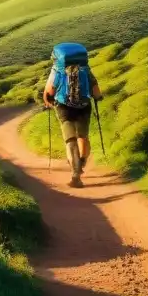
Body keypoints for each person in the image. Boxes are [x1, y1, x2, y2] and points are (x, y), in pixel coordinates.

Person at [43, 42, 103, 188]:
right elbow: (96, 92)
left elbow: (49, 92)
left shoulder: (57, 69)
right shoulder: (86, 69)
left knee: (70, 140)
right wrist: (98, 98)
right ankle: (82, 161)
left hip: (64, 107)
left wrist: (47, 102)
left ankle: (75, 175)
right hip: (84, 106)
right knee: (83, 137)